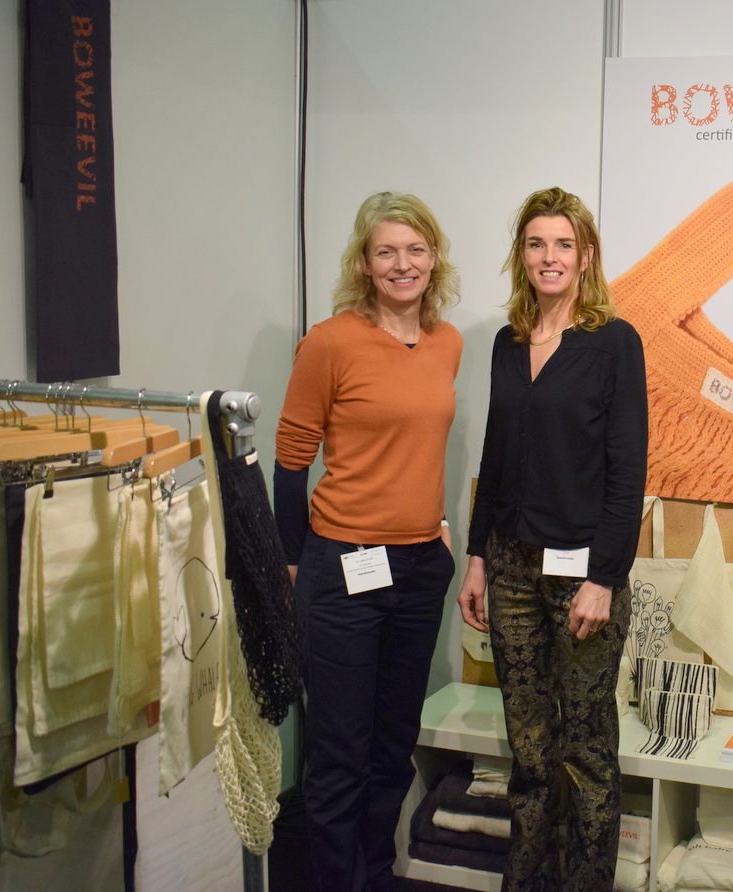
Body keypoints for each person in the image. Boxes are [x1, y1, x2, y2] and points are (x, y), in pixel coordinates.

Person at [457, 187, 648, 890]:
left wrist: (605, 578)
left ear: (586, 256)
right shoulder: (509, 343)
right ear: (522, 255)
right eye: (536, 243)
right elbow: (495, 453)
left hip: (582, 575)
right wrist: (477, 557)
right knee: (531, 750)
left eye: (563, 244)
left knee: (586, 752)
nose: (549, 257)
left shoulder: (614, 342)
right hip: (510, 569)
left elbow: (628, 468)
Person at [274, 192, 462, 891]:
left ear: (434, 257)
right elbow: (290, 463)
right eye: (386, 251)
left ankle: (375, 875)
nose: (402, 264)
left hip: (419, 570)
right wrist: (293, 562)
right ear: (364, 262)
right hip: (344, 566)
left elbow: (416, 446)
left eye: (415, 250)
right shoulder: (329, 343)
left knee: (392, 746)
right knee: (340, 752)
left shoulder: (447, 343)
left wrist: (437, 531)